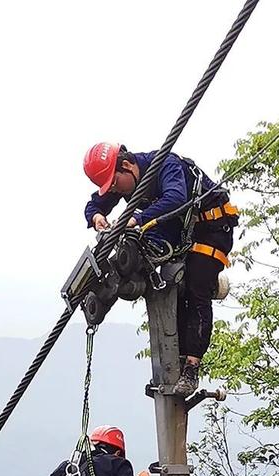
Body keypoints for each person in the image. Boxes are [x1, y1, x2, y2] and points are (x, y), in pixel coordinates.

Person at [83, 142, 238, 399]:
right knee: (167, 284)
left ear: (127, 165)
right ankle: (173, 358)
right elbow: (96, 203)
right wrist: (96, 216)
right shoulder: (123, 178)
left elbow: (175, 197)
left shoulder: (165, 164)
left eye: (115, 184)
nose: (114, 191)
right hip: (179, 230)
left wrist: (137, 219)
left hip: (211, 227)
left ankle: (191, 367)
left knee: (197, 287)